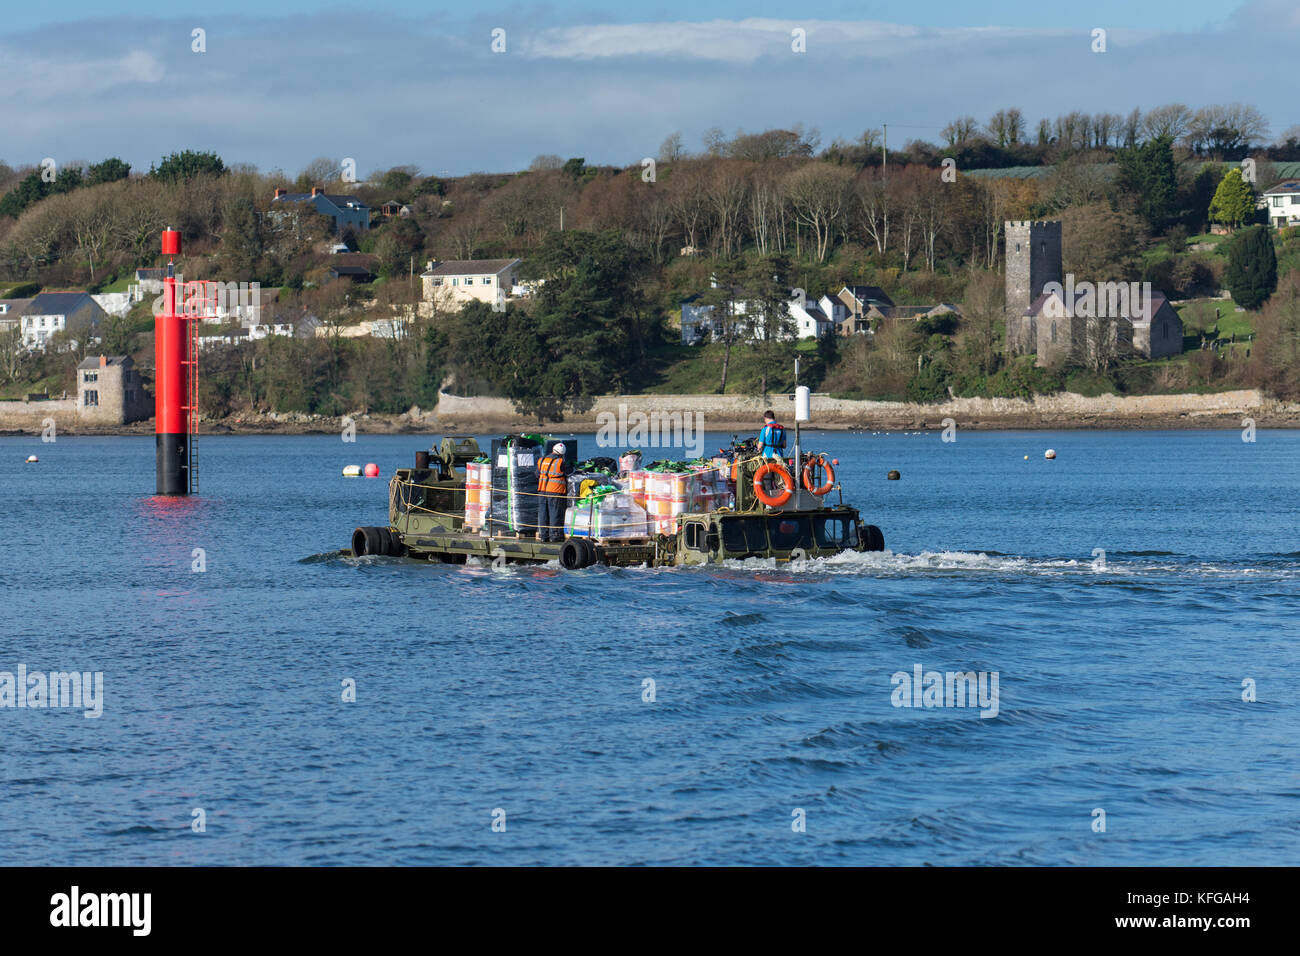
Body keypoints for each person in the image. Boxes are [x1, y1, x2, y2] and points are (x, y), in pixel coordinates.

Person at [537, 443, 572, 542]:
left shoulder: (541, 460)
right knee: (554, 513)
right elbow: (570, 471)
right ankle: (554, 536)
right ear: (562, 454)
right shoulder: (561, 462)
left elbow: (536, 474)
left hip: (542, 490)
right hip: (555, 491)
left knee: (543, 513)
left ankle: (543, 536)